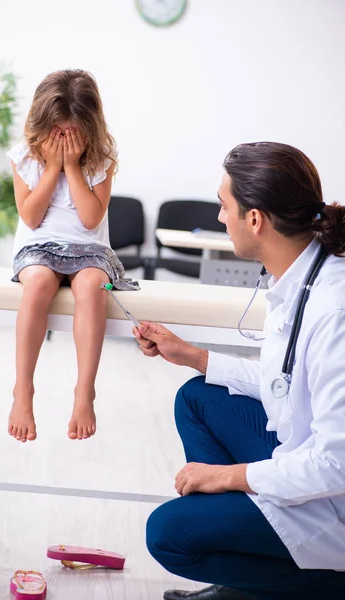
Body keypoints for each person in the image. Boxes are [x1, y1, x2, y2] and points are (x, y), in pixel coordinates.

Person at [134, 142, 345, 600]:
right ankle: (249, 562)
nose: (219, 217)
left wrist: (227, 477)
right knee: (197, 397)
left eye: (224, 205)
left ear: (255, 219)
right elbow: (284, 384)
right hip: (302, 459)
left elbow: (336, 466)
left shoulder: (335, 308)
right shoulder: (298, 279)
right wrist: (194, 355)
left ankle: (321, 585)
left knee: (168, 534)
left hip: (333, 500)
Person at [7, 69, 138, 444]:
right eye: (57, 133)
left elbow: (90, 217)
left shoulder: (102, 158)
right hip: (38, 247)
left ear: (90, 128)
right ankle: (23, 389)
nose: (64, 141)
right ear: (42, 124)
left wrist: (71, 166)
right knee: (36, 285)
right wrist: (51, 167)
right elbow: (30, 217)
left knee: (93, 286)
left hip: (90, 249)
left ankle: (84, 391)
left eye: (73, 134)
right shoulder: (25, 157)